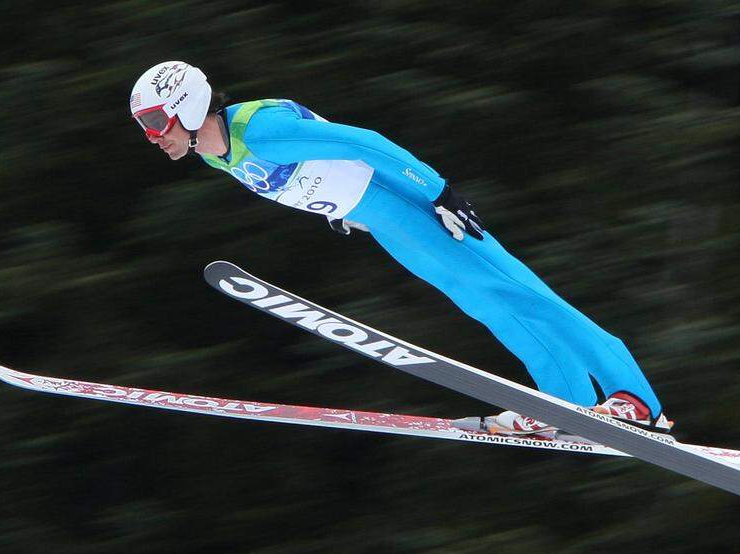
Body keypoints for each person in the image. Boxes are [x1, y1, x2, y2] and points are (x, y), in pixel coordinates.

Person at [129, 61, 672, 436]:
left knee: (520, 294)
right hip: (385, 224)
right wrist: (337, 210)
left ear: (188, 106)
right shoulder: (214, 152)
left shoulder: (260, 130)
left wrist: (438, 192)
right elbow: (310, 174)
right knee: (489, 307)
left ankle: (635, 399)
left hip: (412, 206)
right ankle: (565, 403)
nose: (153, 136)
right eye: (143, 126)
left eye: (155, 122)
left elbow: (364, 144)